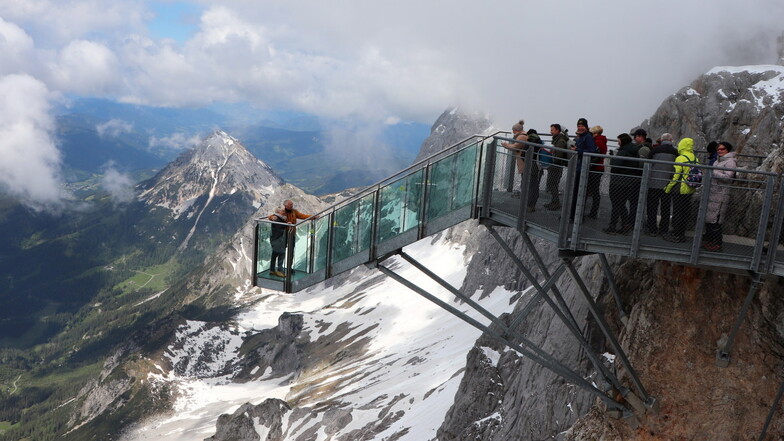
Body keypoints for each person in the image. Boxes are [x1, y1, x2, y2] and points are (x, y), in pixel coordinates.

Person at [702, 142, 737, 251]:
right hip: (713, 193)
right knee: (710, 220)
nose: (720, 150)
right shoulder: (718, 160)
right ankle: (711, 242)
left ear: (728, 150)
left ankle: (717, 244)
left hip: (721, 195)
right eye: (718, 149)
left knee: (715, 222)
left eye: (723, 149)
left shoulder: (730, 162)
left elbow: (728, 177)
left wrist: (713, 172)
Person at [603, 133, 642, 234]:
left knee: (616, 204)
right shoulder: (634, 150)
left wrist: (612, 159)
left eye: (619, 140)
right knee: (620, 204)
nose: (618, 142)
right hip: (629, 181)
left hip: (618, 181)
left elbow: (616, 166)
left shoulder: (623, 151)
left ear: (622, 141)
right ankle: (626, 225)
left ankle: (613, 226)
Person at [663, 138, 698, 243]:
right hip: (690, 188)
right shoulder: (695, 158)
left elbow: (676, 176)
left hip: (680, 189)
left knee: (677, 212)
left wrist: (668, 188)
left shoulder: (680, 158)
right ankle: (681, 234)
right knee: (684, 212)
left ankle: (676, 234)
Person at [645, 133, 679, 235]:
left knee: (652, 207)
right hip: (668, 184)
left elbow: (648, 164)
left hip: (653, 183)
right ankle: (663, 229)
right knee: (665, 208)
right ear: (671, 140)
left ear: (661, 140)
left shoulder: (655, 150)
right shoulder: (675, 152)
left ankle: (652, 229)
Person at [569, 118, 598, 221]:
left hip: (583, 168)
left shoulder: (588, 137)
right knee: (576, 193)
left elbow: (591, 151)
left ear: (586, 127)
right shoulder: (581, 137)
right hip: (578, 167)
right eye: (578, 126)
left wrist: (577, 150)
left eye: (582, 126)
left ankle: (576, 216)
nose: (580, 128)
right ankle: (573, 215)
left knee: (580, 193)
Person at [545, 123, 569, 210]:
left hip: (556, 165)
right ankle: (554, 201)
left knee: (552, 183)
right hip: (556, 165)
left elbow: (558, 155)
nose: (550, 132)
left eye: (552, 130)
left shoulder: (560, 141)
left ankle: (556, 202)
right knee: (553, 184)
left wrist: (552, 161)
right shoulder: (558, 139)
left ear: (558, 130)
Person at [501, 120, 528, 198]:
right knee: (525, 177)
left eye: (513, 130)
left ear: (516, 130)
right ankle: (524, 193)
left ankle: (524, 195)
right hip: (524, 159)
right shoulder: (524, 135)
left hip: (523, 160)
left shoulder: (521, 136)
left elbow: (515, 147)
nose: (513, 132)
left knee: (525, 177)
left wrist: (505, 144)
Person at [587, 125, 608, 219]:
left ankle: (593, 212)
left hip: (595, 168)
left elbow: (596, 155)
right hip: (598, 168)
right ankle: (593, 212)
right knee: (594, 190)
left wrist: (590, 163)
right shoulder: (602, 141)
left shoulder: (598, 142)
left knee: (593, 191)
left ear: (595, 133)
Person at [267, 208, 288, 277]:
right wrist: (287, 224)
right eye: (282, 211)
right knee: (281, 254)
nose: (284, 212)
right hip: (278, 240)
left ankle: (272, 270)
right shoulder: (277, 219)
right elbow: (280, 227)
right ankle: (280, 270)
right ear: (278, 212)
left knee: (274, 254)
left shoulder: (277, 218)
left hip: (275, 239)